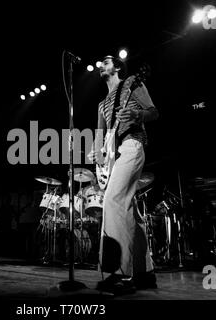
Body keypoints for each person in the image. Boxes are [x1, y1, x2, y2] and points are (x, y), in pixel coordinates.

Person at [88, 55, 159, 294]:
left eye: (106, 61)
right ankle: (145, 272)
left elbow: (153, 112)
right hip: (113, 156)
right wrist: (96, 155)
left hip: (132, 145)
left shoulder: (131, 84)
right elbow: (101, 135)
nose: (102, 64)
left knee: (113, 201)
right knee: (130, 212)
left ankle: (118, 273)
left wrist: (136, 116)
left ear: (117, 66)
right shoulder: (101, 104)